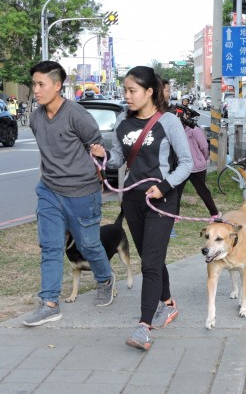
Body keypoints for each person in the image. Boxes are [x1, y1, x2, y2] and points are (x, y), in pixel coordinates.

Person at [90, 66, 193, 350]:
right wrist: (103, 155)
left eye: (132, 90)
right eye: (125, 90)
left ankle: (143, 327)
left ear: (149, 92)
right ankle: (168, 302)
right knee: (153, 257)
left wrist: (164, 186)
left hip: (161, 198)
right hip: (133, 199)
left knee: (149, 262)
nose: (127, 96)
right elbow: (118, 160)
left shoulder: (168, 121)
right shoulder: (123, 121)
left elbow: (187, 163)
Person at [22, 61, 115, 327]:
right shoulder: (35, 117)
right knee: (50, 247)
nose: (36, 90)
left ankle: (105, 279)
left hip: (82, 193)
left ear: (57, 85)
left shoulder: (77, 114)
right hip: (49, 190)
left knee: (88, 245)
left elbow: (96, 148)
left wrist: (100, 157)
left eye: (41, 84)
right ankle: (49, 303)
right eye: (34, 84)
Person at [178, 107, 220, 218]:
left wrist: (202, 159)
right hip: (181, 167)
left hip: (196, 166)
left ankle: (215, 214)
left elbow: (204, 147)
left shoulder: (195, 130)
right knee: (176, 191)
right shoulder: (174, 131)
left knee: (202, 191)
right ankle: (174, 215)